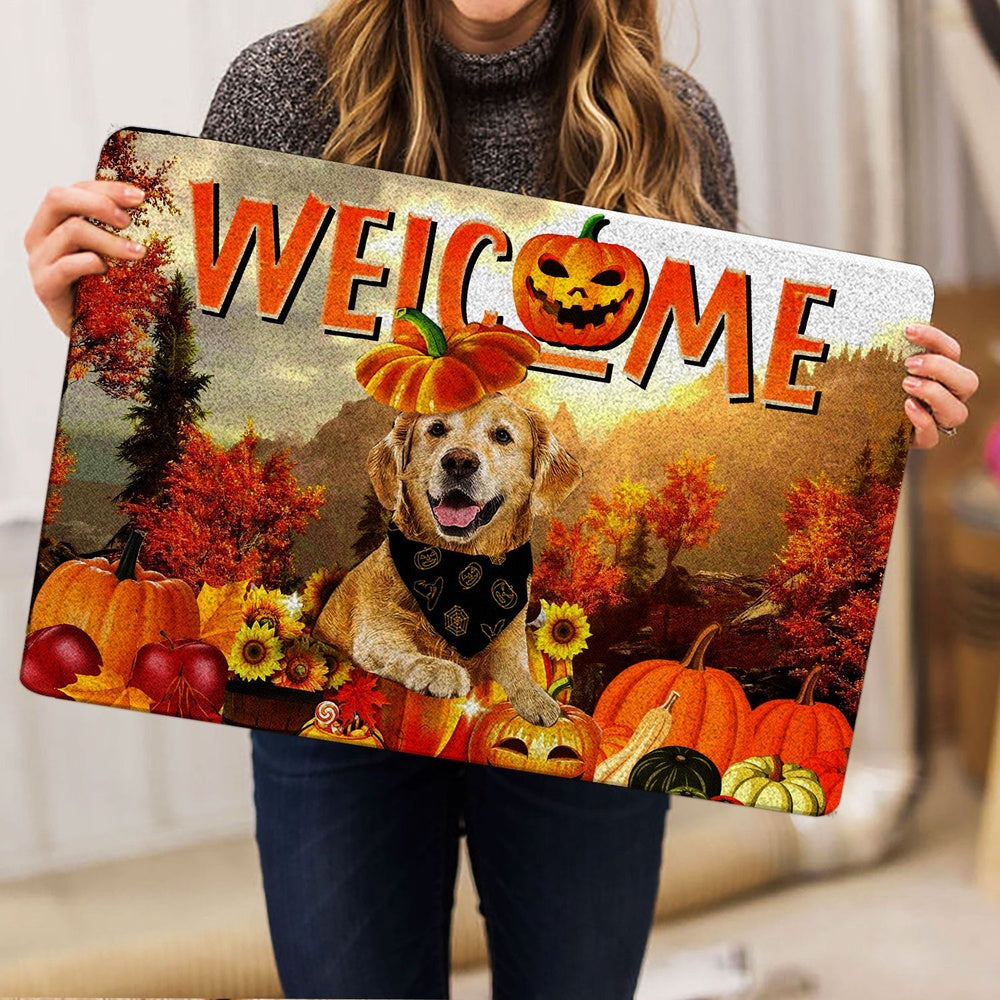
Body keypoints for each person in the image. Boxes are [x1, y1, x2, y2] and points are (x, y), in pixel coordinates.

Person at [23, 2, 981, 998]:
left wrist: (857, 424)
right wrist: (104, 327)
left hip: (565, 700)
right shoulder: (279, 90)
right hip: (342, 706)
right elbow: (209, 356)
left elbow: (728, 403)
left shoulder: (670, 120)